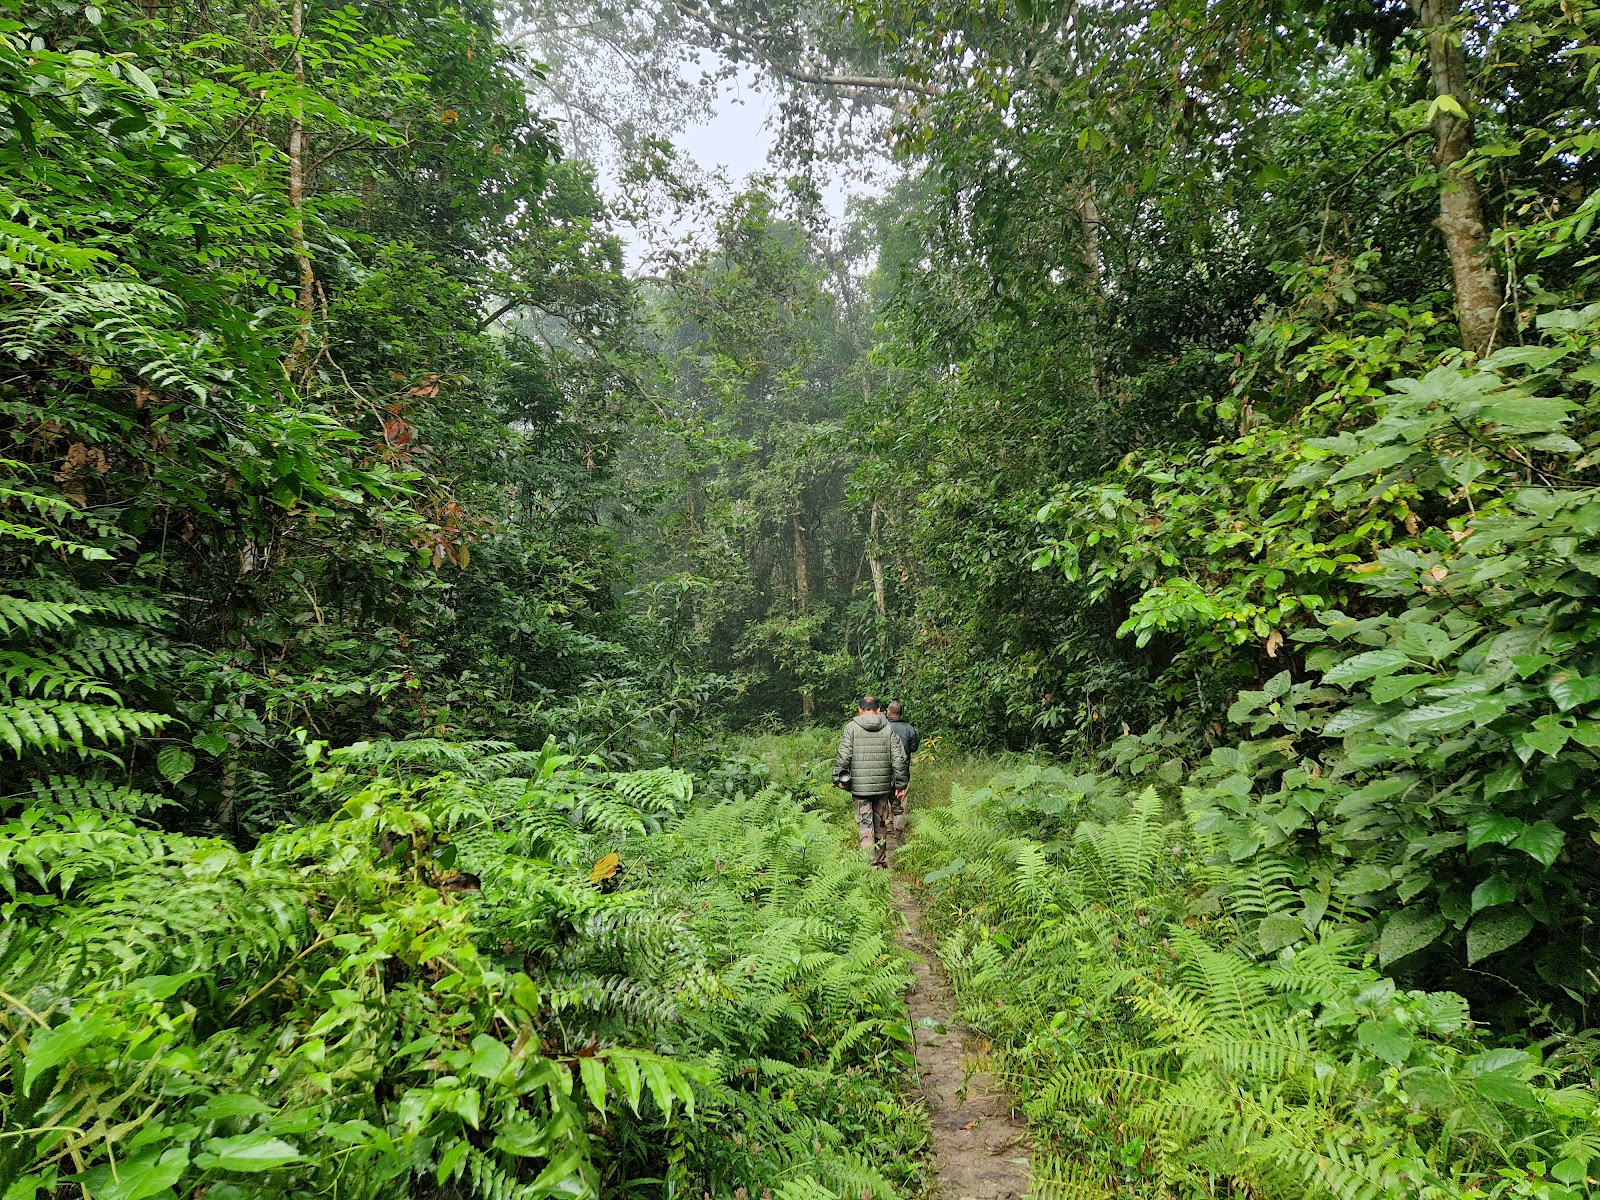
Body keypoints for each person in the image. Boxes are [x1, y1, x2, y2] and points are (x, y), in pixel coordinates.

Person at [833, 695, 908, 869]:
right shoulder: (888, 727)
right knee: (881, 823)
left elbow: (844, 756)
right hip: (883, 787)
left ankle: (869, 866)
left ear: (860, 710)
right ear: (878, 709)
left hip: (860, 789)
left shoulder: (851, 727)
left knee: (865, 825)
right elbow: (899, 759)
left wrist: (838, 778)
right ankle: (881, 862)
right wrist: (900, 784)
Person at [885, 701, 921, 843]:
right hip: (903, 771)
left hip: (884, 770)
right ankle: (899, 829)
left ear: (888, 712)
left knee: (885, 797)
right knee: (901, 799)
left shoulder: (883, 727)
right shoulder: (909, 728)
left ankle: (887, 826)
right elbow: (914, 747)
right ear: (901, 713)